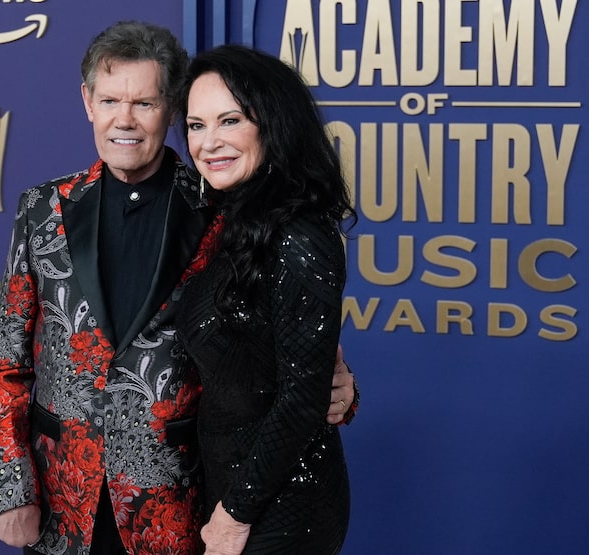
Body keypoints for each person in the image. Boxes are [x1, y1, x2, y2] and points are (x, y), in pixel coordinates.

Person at [0, 22, 358, 555]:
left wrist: (341, 388)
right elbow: (4, 362)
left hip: (178, 506)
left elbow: (276, 355)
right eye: (110, 100)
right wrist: (12, 488)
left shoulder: (225, 208)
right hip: (62, 499)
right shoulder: (41, 209)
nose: (124, 121)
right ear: (87, 102)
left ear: (171, 110)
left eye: (146, 103)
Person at [175, 44, 357, 555]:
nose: (208, 143)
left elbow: (301, 396)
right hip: (235, 492)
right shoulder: (234, 221)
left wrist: (234, 517)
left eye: (229, 120)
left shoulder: (300, 233)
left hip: (279, 508)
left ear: (273, 124)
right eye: (195, 125)